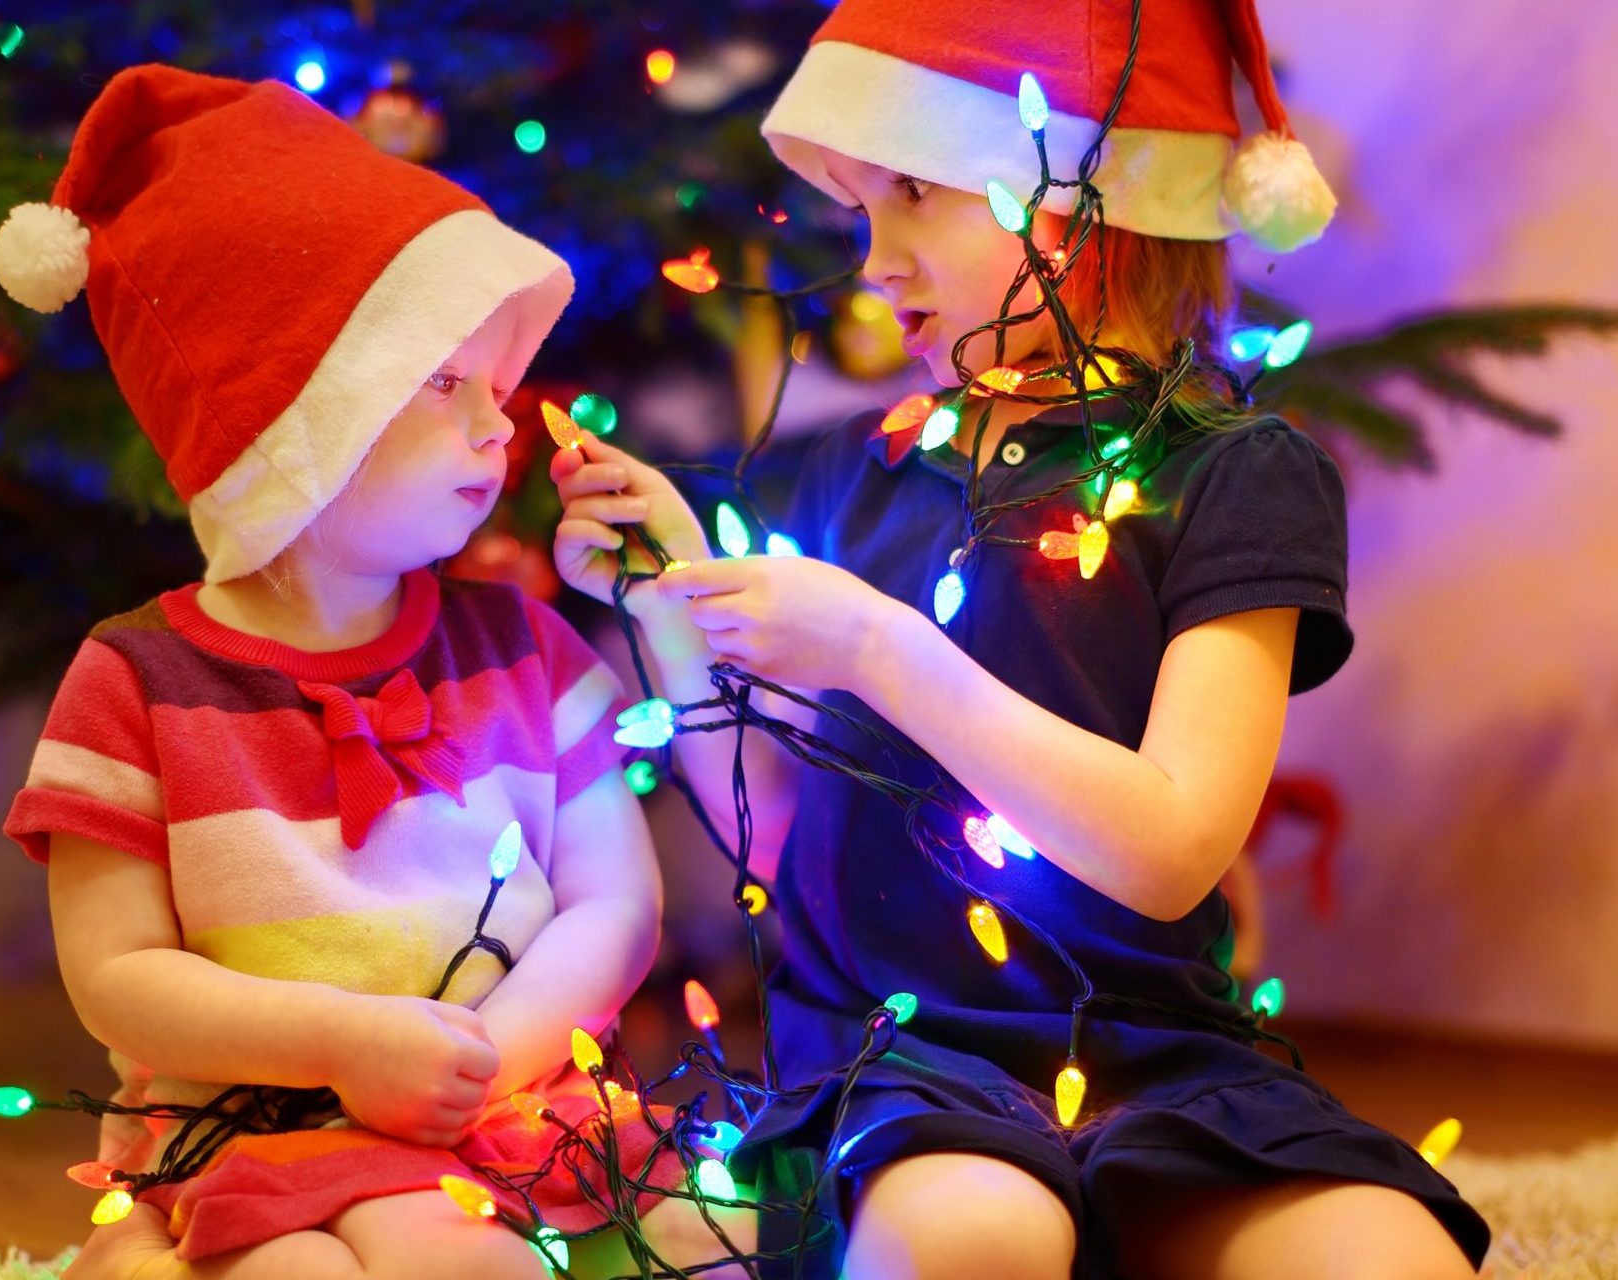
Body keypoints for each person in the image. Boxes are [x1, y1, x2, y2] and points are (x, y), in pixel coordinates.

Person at [549, 3, 1494, 1277]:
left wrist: (884, 648)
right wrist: (670, 594)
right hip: (910, 1049)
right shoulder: (851, 474)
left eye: (918, 197)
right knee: (974, 1237)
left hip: (1156, 1050)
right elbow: (767, 819)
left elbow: (1166, 850)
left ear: (1081, 198)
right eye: (859, 213)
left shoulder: (1237, 475)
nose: (875, 261)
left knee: (1395, 1260)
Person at [0, 66, 692, 1280]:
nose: (498, 425)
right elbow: (116, 975)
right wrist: (340, 1044)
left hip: (506, 1097)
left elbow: (614, 901)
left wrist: (489, 1053)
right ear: (287, 426)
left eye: (498, 383)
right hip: (258, 1112)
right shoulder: (137, 680)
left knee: (673, 1241)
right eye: (436, 382)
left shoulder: (527, 649)